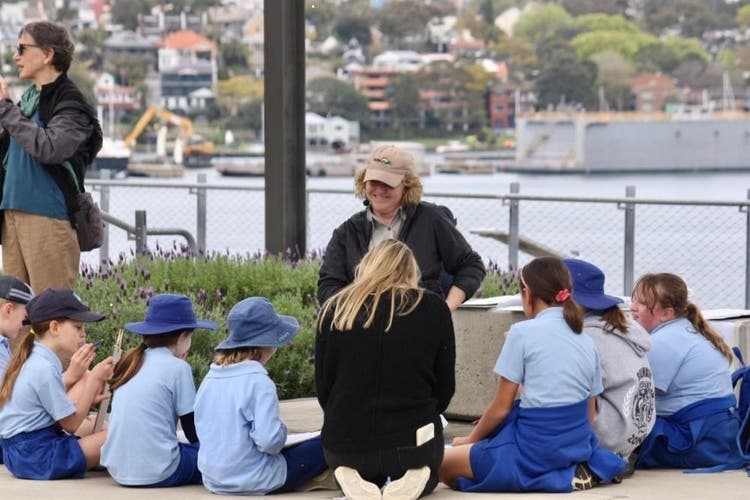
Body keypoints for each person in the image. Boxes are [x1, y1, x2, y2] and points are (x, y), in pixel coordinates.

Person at [440, 257, 625, 493]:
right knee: (472, 462)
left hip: (533, 448)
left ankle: (547, 475)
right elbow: (590, 416)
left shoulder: (522, 333)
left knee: (442, 466)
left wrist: (470, 440)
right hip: (575, 446)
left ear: (527, 293)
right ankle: (567, 470)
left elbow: (500, 409)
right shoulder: (586, 339)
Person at [316, 240, 455, 500]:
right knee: (429, 465)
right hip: (413, 443)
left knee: (349, 455)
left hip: (345, 442)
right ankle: (416, 475)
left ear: (366, 266)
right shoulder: (434, 308)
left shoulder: (335, 309)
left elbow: (325, 388)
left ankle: (350, 474)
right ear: (411, 272)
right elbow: (444, 390)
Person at [316, 144, 485, 311]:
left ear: (407, 185)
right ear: (363, 181)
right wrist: (358, 313)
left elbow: (471, 265)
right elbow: (328, 286)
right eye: (373, 182)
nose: (379, 190)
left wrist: (446, 309)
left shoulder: (431, 219)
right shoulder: (347, 232)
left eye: (388, 184)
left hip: (422, 323)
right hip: (364, 329)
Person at [0, 21, 102, 293]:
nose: (15, 56)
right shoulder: (30, 100)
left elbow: (51, 148)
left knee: (51, 313)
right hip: (13, 215)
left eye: (22, 48)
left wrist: (5, 109)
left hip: (48, 217)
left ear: (47, 54)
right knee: (12, 315)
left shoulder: (71, 103)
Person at [194, 297, 329, 495]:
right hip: (254, 479)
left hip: (214, 479)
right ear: (267, 343)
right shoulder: (259, 382)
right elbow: (269, 442)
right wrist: (283, 432)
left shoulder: (210, 378)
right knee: (325, 443)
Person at [100, 294, 217, 487]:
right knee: (212, 454)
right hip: (159, 472)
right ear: (182, 337)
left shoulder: (131, 362)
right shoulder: (178, 368)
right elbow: (192, 432)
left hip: (118, 470)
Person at [631, 273, 744, 470]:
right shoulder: (688, 330)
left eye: (641, 303)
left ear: (667, 313)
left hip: (696, 439)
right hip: (719, 435)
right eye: (633, 299)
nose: (632, 307)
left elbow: (638, 399)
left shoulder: (664, 341)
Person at [0, 288, 113, 479]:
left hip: (21, 452)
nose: (84, 335)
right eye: (78, 327)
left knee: (97, 424)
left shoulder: (35, 357)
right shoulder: (43, 368)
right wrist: (93, 380)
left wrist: (88, 396)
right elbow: (71, 424)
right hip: (36, 456)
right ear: (54, 328)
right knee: (118, 435)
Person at [564, 258, 655, 466]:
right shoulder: (622, 328)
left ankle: (593, 461)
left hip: (606, 437)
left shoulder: (587, 337)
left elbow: (578, 395)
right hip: (631, 439)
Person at [0, 276, 34, 380]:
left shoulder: (4, 344)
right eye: (25, 317)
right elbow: (10, 393)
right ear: (8, 310)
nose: (25, 325)